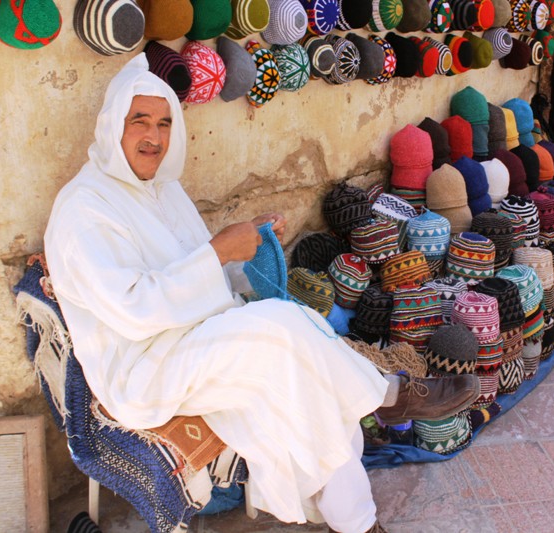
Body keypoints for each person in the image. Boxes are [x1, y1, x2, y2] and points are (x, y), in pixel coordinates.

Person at [44, 54, 479, 533]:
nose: (154, 136)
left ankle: (357, 516)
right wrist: (216, 252)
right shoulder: (84, 209)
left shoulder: (160, 189)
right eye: (139, 121)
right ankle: (384, 396)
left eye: (165, 122)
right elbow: (133, 309)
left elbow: (193, 264)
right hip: (141, 367)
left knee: (300, 351)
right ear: (112, 127)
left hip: (185, 337)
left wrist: (242, 241)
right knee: (281, 334)